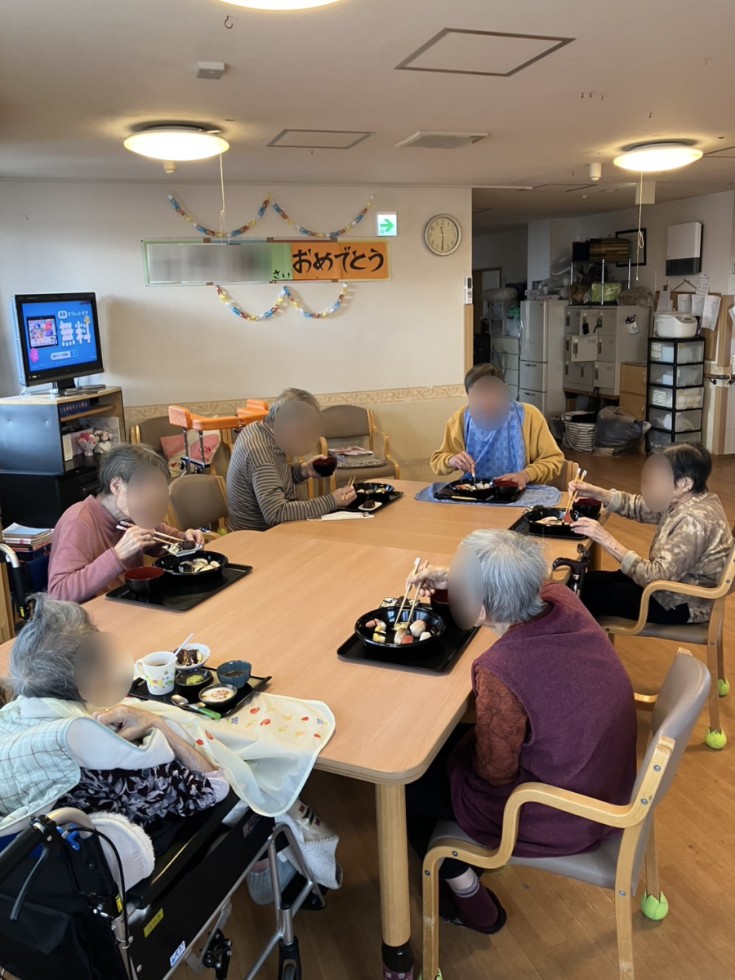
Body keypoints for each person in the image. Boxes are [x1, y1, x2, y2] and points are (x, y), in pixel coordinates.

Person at [405, 530, 637, 935]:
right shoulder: (560, 598)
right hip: (608, 778)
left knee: (413, 781)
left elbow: (494, 774)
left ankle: (466, 894)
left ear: (481, 610)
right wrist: (451, 578)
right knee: (455, 746)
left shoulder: (502, 669)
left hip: (565, 811)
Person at [0, 596, 229, 850]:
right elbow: (214, 788)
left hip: (37, 860)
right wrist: (157, 724)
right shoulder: (102, 753)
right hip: (130, 855)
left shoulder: (10, 721)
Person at [571, 443, 733, 623]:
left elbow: (655, 578)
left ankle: (586, 638)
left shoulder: (694, 521)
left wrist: (605, 539)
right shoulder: (691, 498)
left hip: (680, 602)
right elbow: (641, 507)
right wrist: (597, 493)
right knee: (584, 581)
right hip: (667, 587)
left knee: (582, 593)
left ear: (685, 484)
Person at [48, 443, 206, 603]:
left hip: (130, 602)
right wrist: (118, 555)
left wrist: (186, 539)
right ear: (116, 486)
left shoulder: (134, 515)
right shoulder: (78, 520)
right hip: (93, 614)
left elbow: (167, 540)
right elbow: (59, 594)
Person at [227, 388, 357, 531]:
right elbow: (276, 513)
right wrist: (332, 501)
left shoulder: (258, 429)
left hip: (271, 528)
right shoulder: (260, 453)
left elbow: (272, 479)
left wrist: (302, 470)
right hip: (260, 535)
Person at [430, 364, 564, 489]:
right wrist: (451, 460)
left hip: (521, 492)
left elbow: (553, 459)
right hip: (474, 493)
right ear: (469, 395)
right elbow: (437, 462)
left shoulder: (529, 416)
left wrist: (525, 475)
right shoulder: (460, 419)